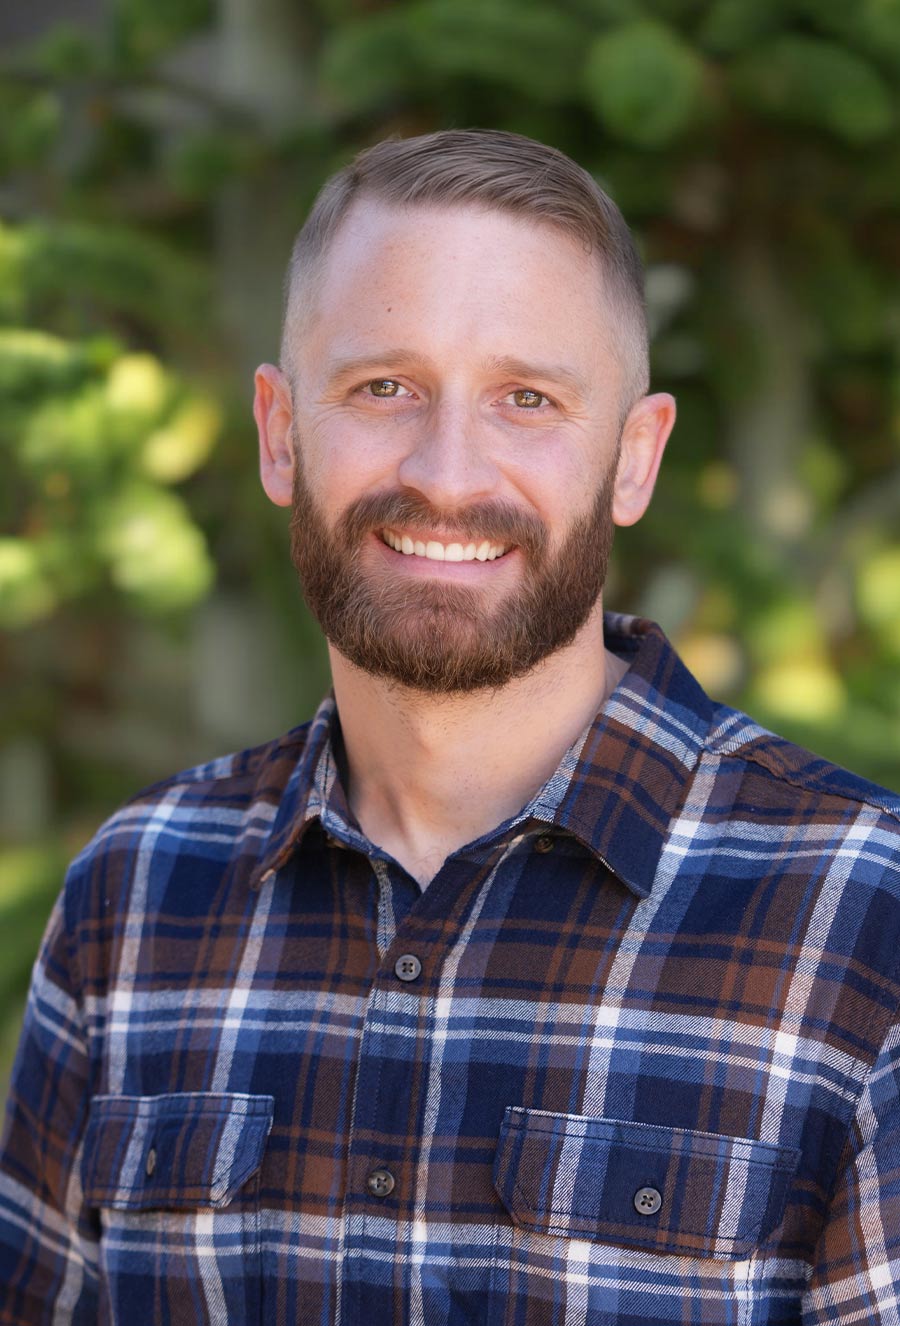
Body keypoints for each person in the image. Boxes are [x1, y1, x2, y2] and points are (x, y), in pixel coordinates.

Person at [1, 128, 899, 1326]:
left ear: (634, 460)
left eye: (528, 399)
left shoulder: (863, 919)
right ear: (281, 433)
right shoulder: (137, 894)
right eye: (385, 388)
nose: (447, 471)